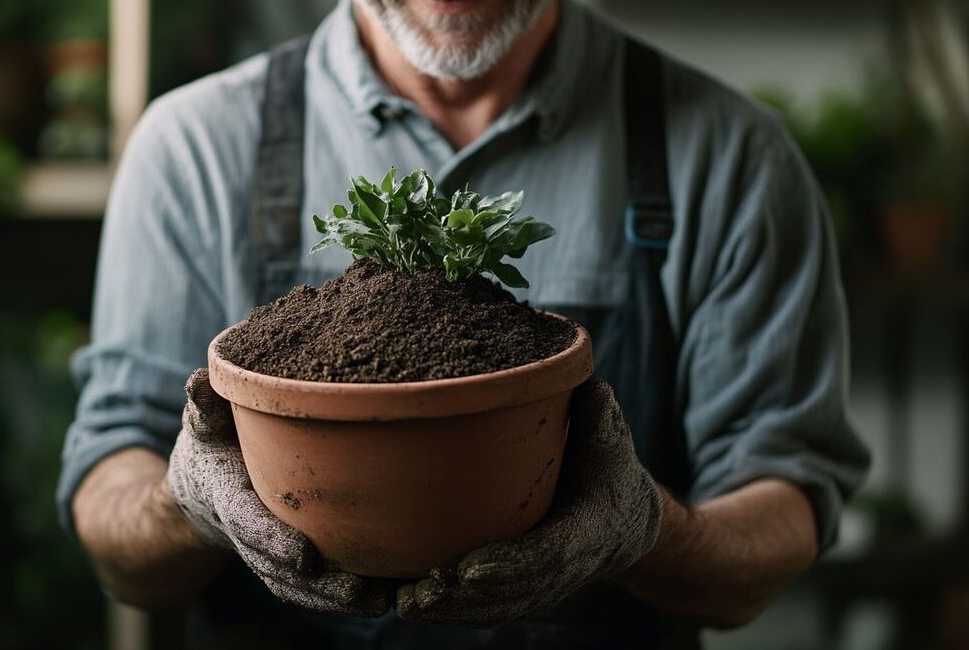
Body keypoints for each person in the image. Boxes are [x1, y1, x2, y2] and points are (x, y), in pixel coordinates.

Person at [58, 0, 871, 647]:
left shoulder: (731, 159)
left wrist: (641, 530)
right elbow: (110, 517)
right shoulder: (195, 148)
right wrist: (189, 500)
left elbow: (780, 510)